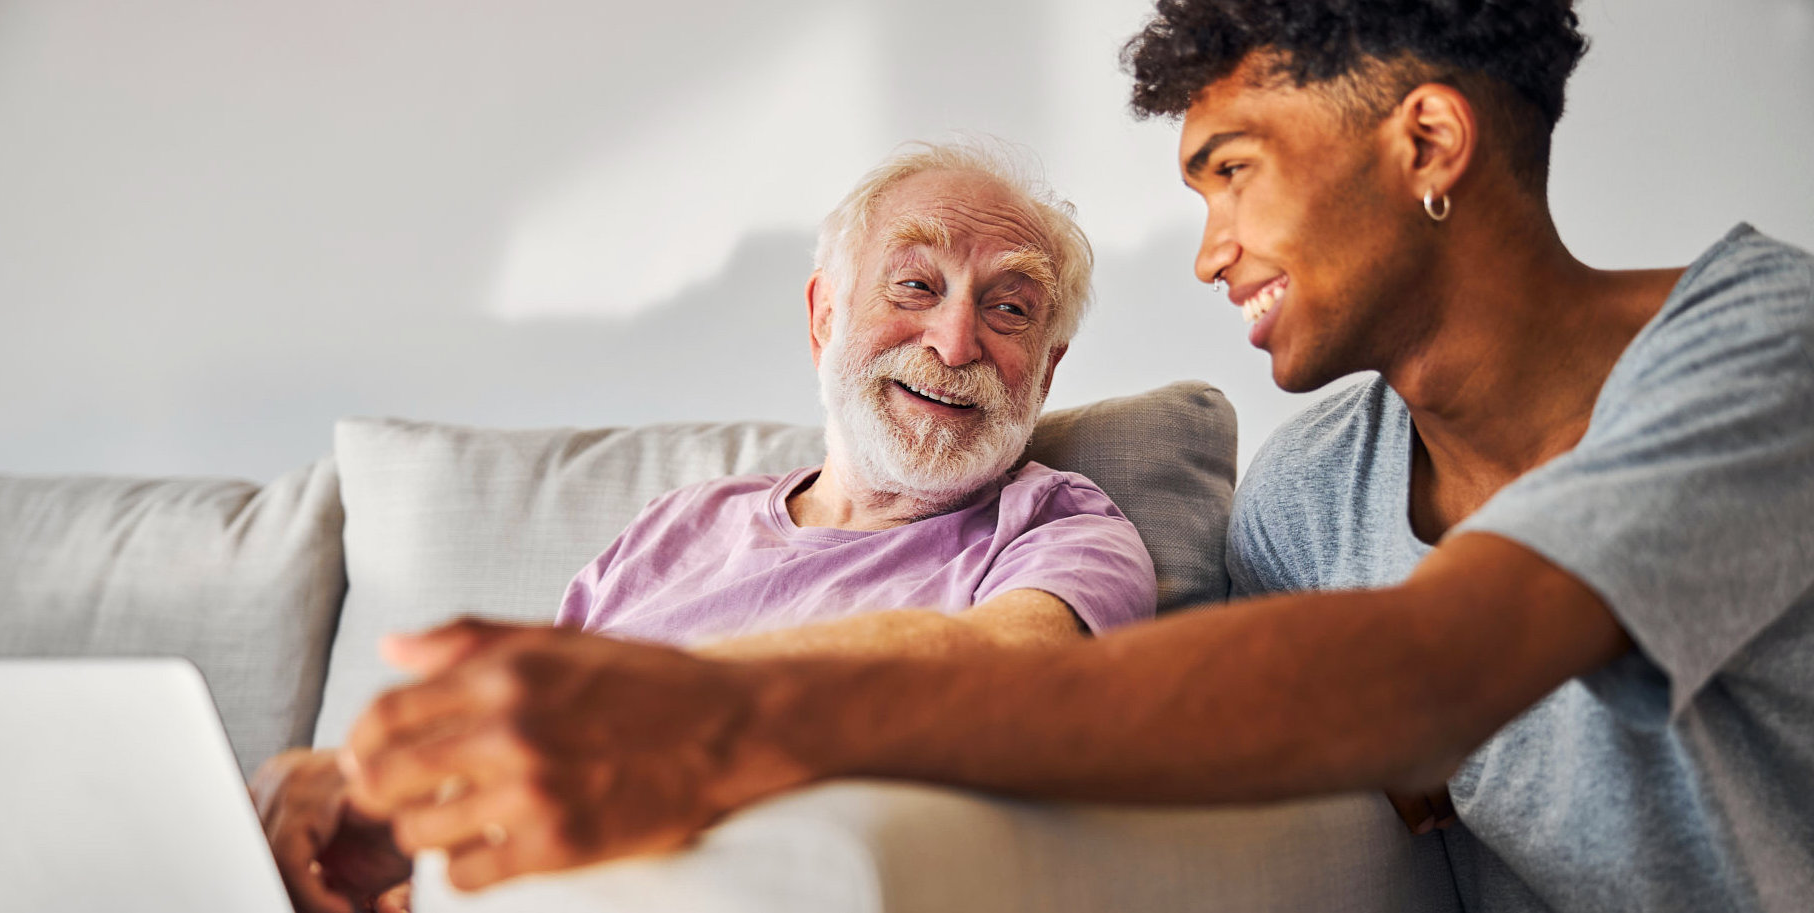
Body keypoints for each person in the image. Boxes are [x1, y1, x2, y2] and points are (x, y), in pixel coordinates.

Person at [331, 1, 1814, 910]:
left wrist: (720, 719)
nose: (1214, 249)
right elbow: (1275, 752)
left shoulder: (1765, 343)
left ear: (1426, 142)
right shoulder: (1307, 494)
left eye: (1231, 171)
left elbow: (1428, 668)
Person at [250, 141, 1160, 913]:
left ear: (1043, 374)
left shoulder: (1061, 528)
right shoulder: (678, 527)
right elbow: (536, 770)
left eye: (1008, 308)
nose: (955, 341)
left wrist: (631, 708)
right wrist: (401, 824)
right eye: (915, 284)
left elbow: (1017, 675)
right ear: (824, 318)